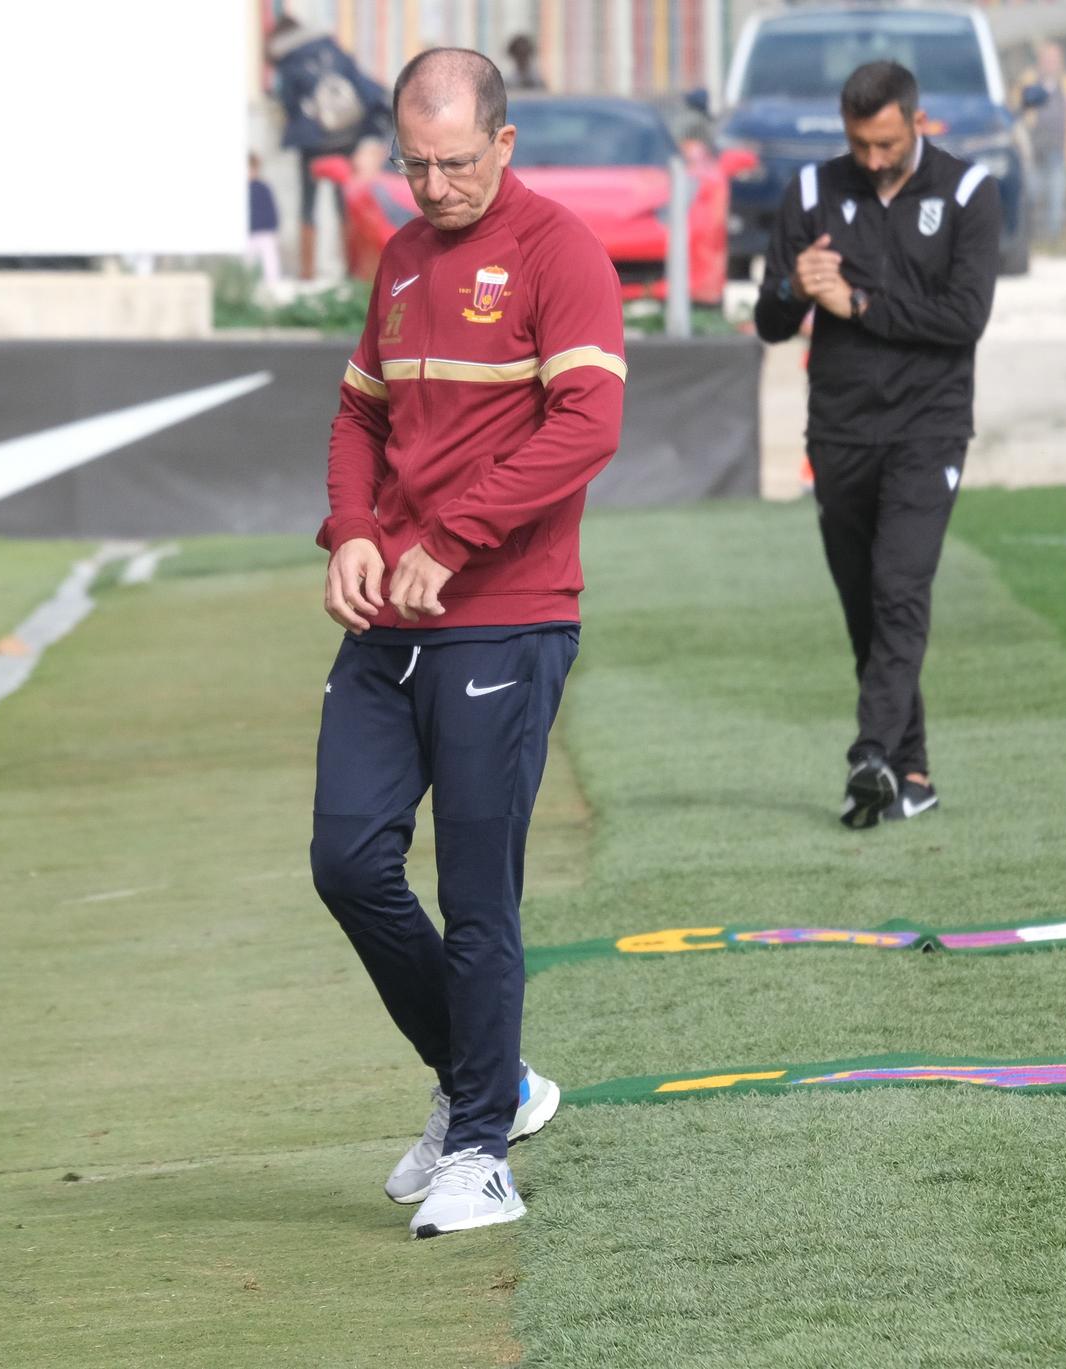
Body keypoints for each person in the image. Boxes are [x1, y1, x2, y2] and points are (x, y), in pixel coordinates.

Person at [309, 48, 625, 1238]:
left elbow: (587, 423)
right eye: (413, 163)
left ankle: (481, 1153)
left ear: (502, 143)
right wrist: (349, 529)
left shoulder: (559, 254)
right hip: (390, 616)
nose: (431, 186)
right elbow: (358, 410)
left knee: (477, 894)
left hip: (507, 612)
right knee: (346, 861)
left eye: (453, 163)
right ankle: (486, 1085)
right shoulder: (397, 256)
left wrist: (451, 535)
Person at [753, 61, 1001, 829]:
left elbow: (963, 319)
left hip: (929, 428)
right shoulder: (809, 192)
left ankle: (868, 754)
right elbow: (767, 320)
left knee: (900, 586)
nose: (871, 158)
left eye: (885, 143)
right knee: (866, 604)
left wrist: (857, 301)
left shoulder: (968, 193)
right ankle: (911, 770)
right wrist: (798, 287)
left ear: (916, 124)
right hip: (839, 429)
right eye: (859, 143)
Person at [267, 20, 391, 280]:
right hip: (347, 136)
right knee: (343, 203)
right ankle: (351, 268)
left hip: (312, 141)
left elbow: (288, 101)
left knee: (307, 204)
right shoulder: (331, 48)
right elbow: (362, 85)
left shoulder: (288, 59)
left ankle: (307, 271)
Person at [1012, 41, 1066, 242]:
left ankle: (1052, 238)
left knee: (1056, 194)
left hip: (1058, 150)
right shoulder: (1028, 82)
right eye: (1047, 59)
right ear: (1040, 61)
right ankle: (1029, 236)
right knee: (1029, 192)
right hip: (1032, 151)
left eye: (1055, 60)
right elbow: (1015, 110)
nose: (1051, 64)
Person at [246, 153, 284, 292]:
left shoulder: (263, 187)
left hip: (265, 232)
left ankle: (273, 287)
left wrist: (274, 229)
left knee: (270, 263)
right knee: (247, 263)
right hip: (248, 234)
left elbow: (272, 210)